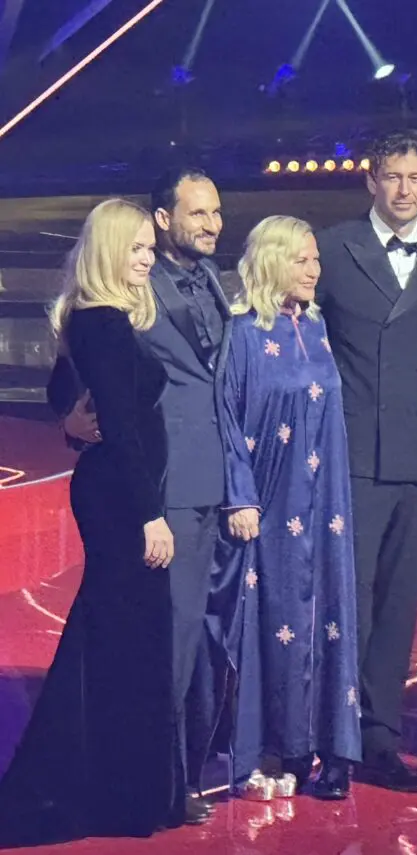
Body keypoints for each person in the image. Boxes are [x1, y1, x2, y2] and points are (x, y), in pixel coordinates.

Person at [49, 166, 229, 822]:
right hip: (144, 493)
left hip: (192, 481)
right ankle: (150, 784)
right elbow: (94, 399)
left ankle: (144, 775)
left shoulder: (194, 285)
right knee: (152, 643)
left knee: (153, 641)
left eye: (217, 211)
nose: (146, 260)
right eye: (138, 249)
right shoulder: (107, 309)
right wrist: (69, 416)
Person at [0, 200, 179, 842]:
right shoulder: (101, 321)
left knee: (111, 640)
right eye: (135, 248)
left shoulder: (97, 320)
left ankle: (116, 788)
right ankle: (96, 791)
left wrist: (67, 419)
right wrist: (151, 516)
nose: (146, 257)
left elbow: (64, 389)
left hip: (116, 492)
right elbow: (123, 426)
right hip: (122, 502)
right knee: (117, 640)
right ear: (106, 249)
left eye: (149, 249)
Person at [316, 130, 417, 793]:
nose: (403, 189)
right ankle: (331, 742)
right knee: (348, 604)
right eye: (392, 176)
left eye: (415, 177)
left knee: (399, 608)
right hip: (349, 455)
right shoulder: (332, 249)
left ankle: (380, 740)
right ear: (370, 181)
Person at [217, 216, 361, 800]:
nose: (313, 269)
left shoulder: (318, 328)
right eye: (302, 259)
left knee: (327, 610)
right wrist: (240, 495)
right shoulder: (245, 334)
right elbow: (225, 417)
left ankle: (332, 748)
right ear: (273, 261)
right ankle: (280, 746)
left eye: (316, 260)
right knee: (274, 620)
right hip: (271, 504)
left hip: (327, 502)